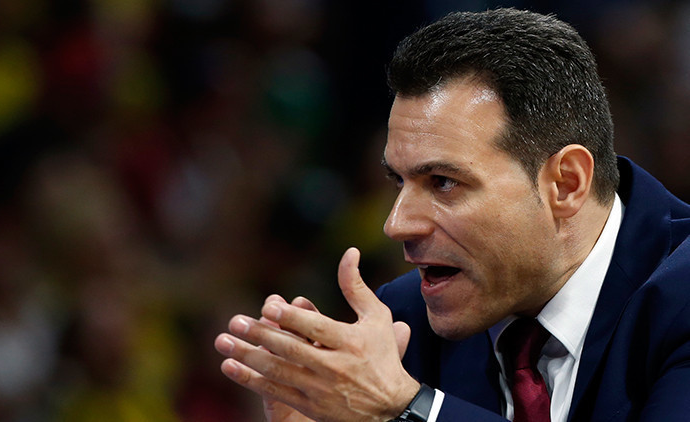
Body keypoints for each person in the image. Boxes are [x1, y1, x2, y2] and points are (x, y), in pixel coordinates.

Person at [214, 8, 690, 422]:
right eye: (398, 181)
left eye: (443, 182)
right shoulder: (402, 324)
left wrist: (410, 409)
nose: (396, 224)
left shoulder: (681, 296)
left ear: (565, 183)